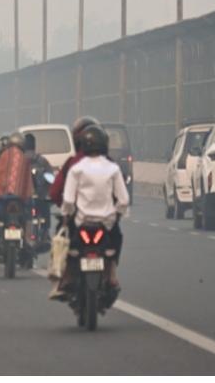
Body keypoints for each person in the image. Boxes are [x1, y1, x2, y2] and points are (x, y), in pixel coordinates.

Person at [53, 124, 129, 299]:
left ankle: (67, 277)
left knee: (69, 246)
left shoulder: (76, 168)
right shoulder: (112, 168)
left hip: (81, 221)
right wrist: (116, 214)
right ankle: (111, 276)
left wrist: (66, 215)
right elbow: (123, 200)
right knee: (115, 242)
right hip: (106, 223)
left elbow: (69, 200)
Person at [0, 133, 34, 253]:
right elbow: (27, 181)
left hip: (3, 197)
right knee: (29, 210)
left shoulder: (3, 156)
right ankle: (28, 237)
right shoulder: (25, 157)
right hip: (21, 197)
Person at [50, 116, 101, 207]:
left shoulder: (71, 163)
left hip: (78, 215)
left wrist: (64, 206)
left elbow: (55, 192)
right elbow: (122, 198)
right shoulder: (110, 163)